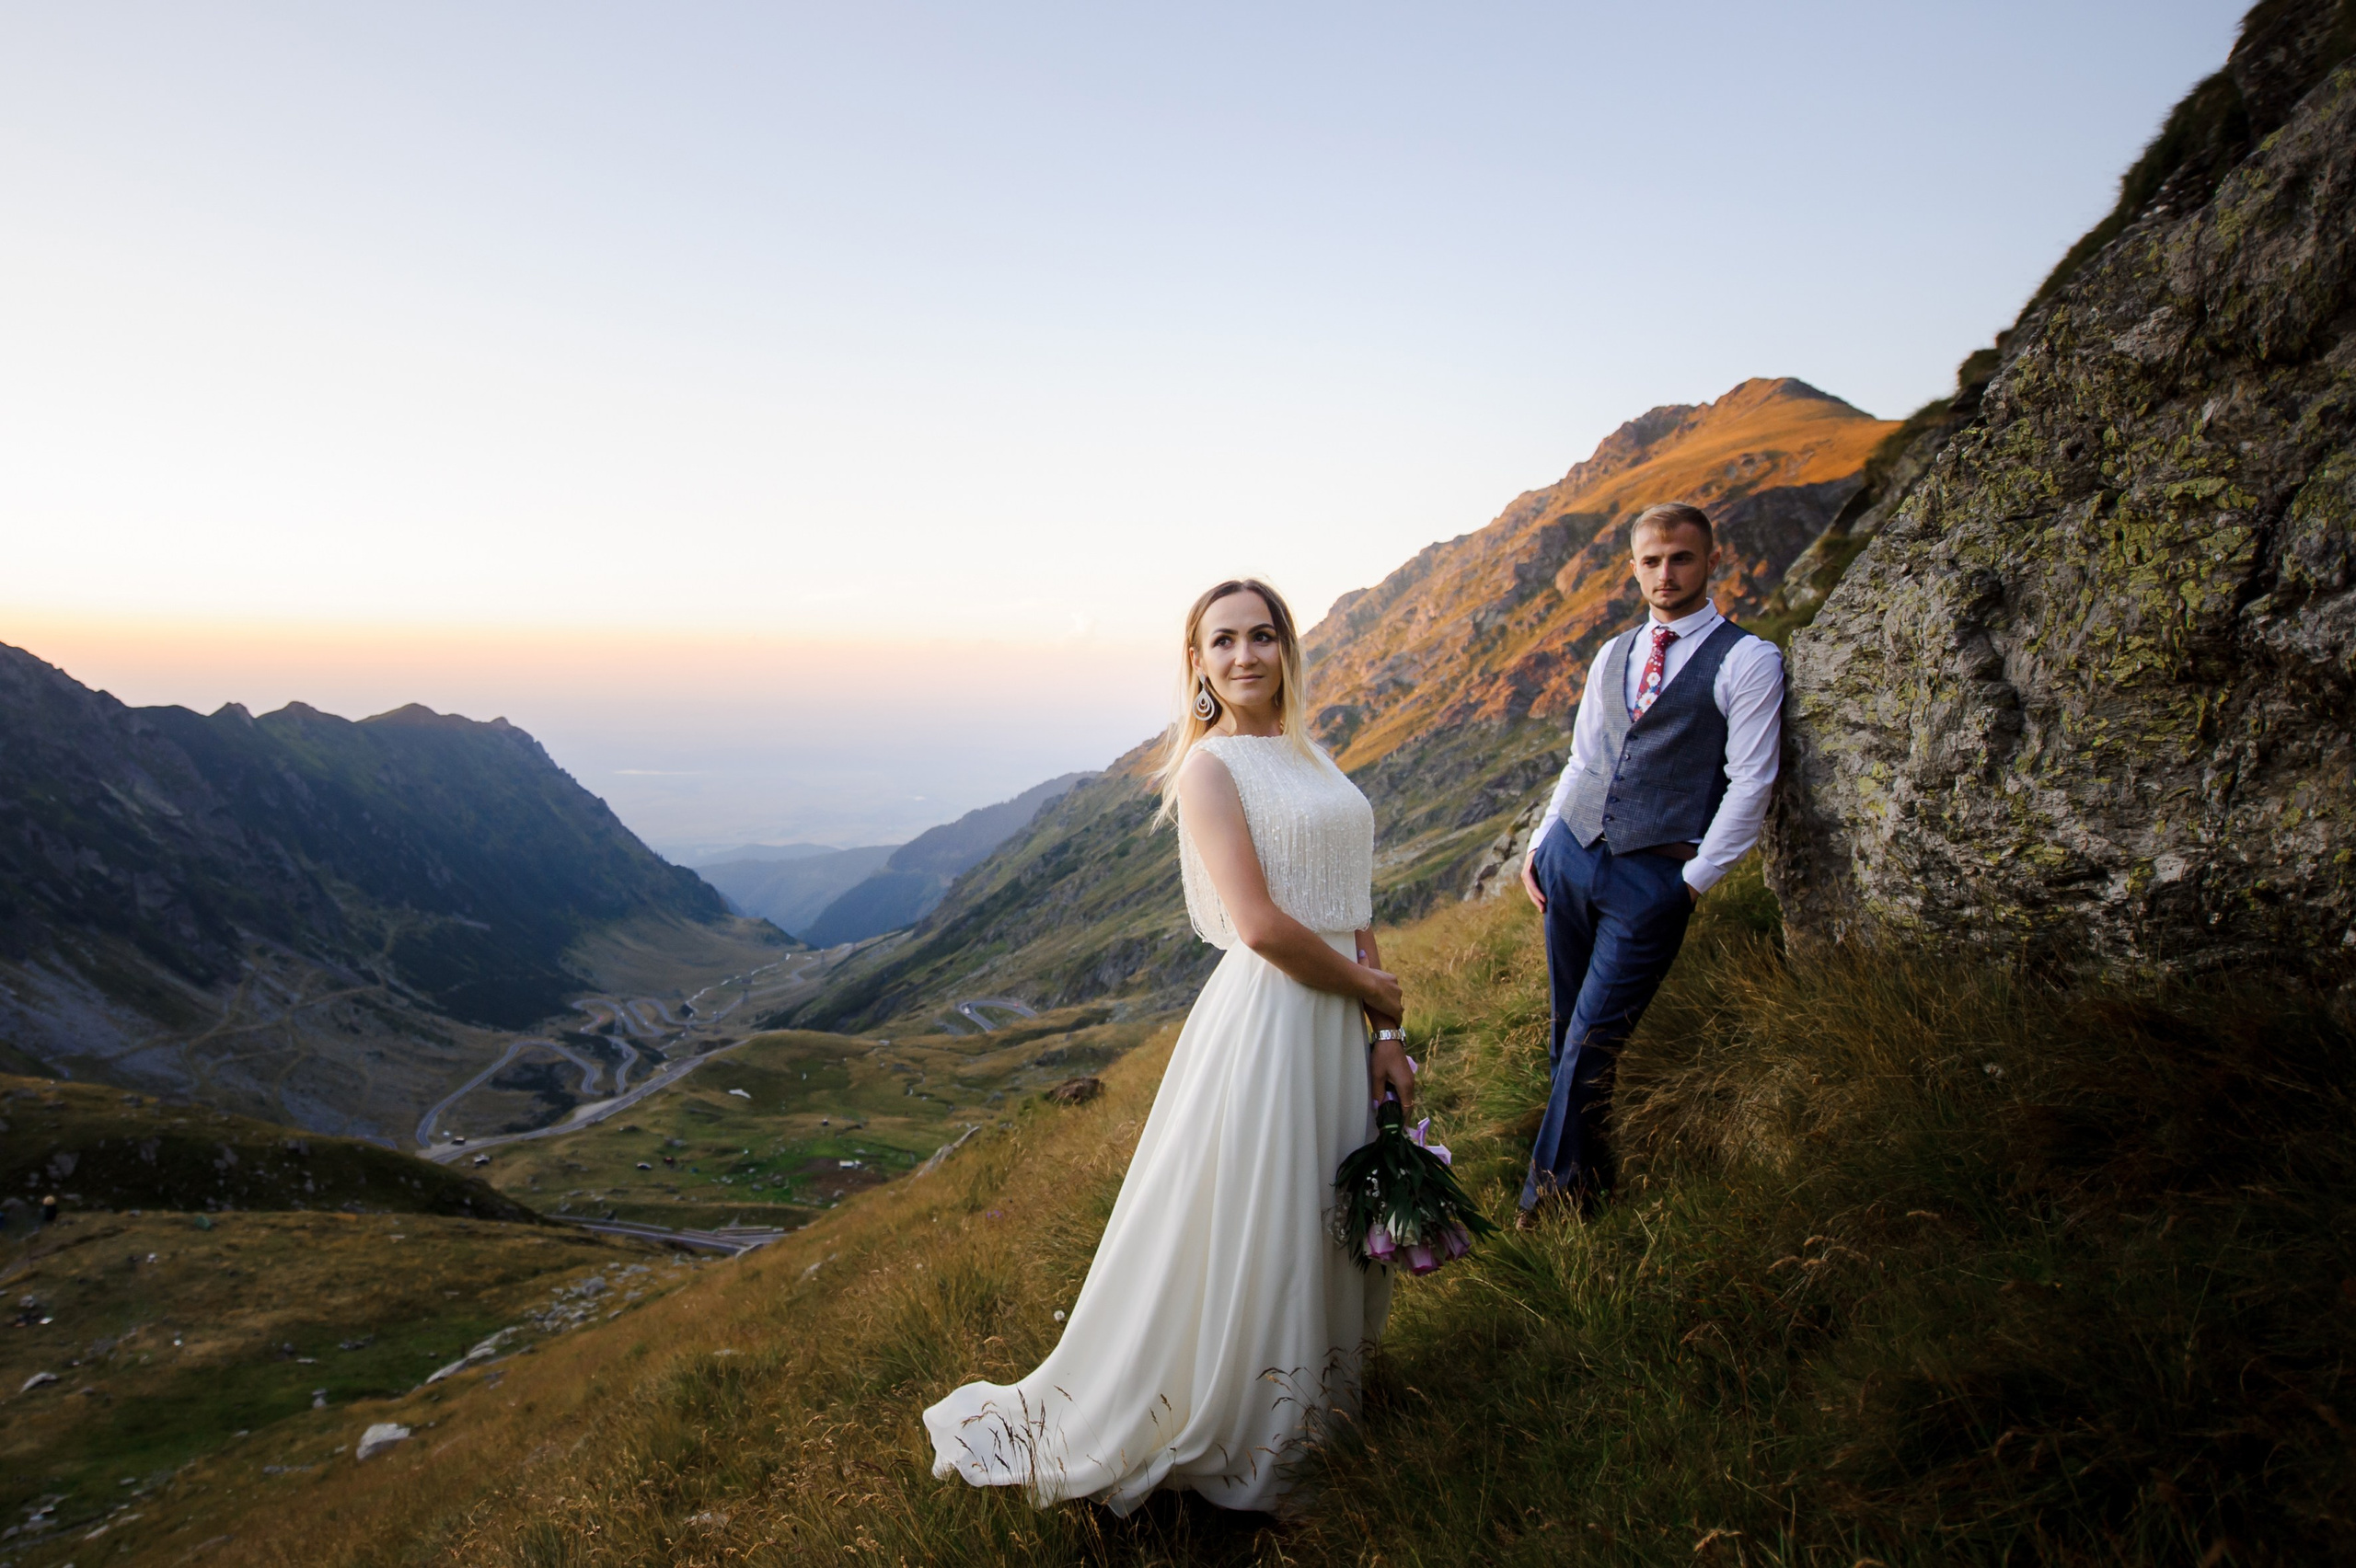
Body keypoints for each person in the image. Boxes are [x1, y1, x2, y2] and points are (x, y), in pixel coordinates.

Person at [925, 577, 1412, 1515]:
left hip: (1336, 1020)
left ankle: (1320, 1403)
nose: (1244, 656)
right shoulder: (1209, 770)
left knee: (1323, 1209)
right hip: (1274, 1019)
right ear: (1197, 662)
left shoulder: (1311, 755)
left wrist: (1385, 1032)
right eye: (1223, 641)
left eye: (1261, 636)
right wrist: (1368, 991)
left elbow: (1351, 907)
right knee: (1269, 1220)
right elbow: (1259, 926)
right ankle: (1258, 1429)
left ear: (1287, 649)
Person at [1517, 502, 1784, 1222]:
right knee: (1566, 1033)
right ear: (1634, 568)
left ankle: (1546, 1207)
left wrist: (1691, 883)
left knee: (1594, 1040)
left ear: (1712, 561)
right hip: (1570, 856)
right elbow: (1583, 759)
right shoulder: (1613, 652)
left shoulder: (1748, 659)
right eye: (1652, 561)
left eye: (1682, 558)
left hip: (1653, 879)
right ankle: (1588, 1183)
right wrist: (1540, 842)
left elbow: (1752, 782)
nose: (1666, 574)